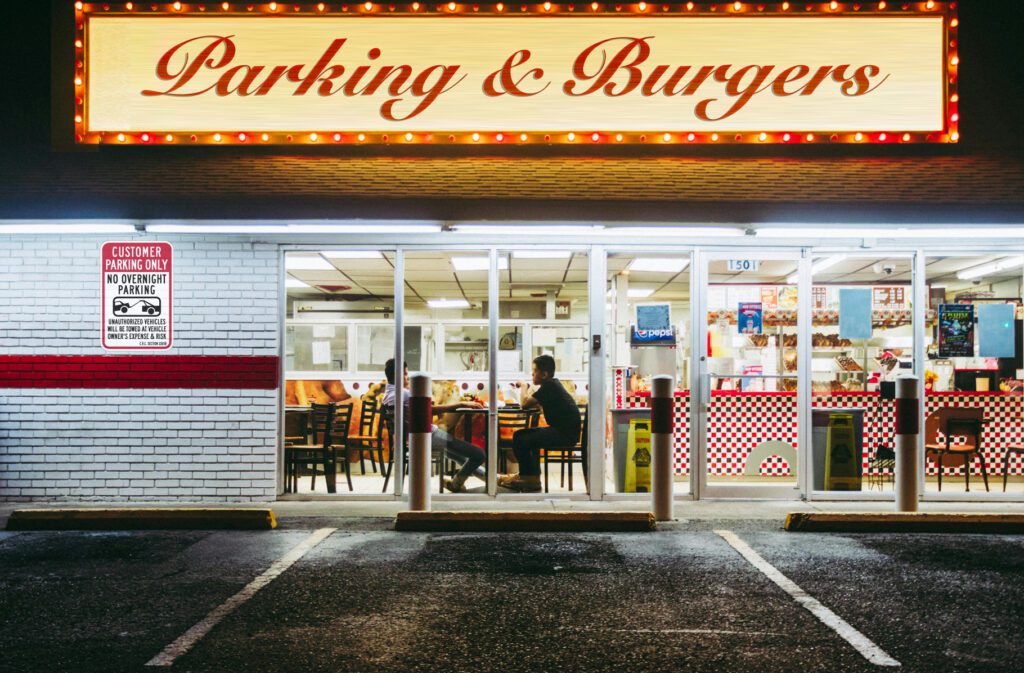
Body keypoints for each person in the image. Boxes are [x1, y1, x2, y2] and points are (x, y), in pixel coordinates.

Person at [382, 358, 487, 493]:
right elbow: (431, 410)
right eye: (406, 373)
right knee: (479, 455)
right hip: (430, 436)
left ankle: (493, 479)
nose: (407, 377)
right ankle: (457, 483)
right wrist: (461, 404)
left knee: (461, 458)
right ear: (398, 375)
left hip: (413, 439)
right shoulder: (404, 394)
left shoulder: (388, 395)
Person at [500, 354, 582, 493]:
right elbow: (539, 403)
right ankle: (530, 478)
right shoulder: (552, 385)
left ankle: (528, 479)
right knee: (522, 436)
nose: (532, 374)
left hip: (563, 435)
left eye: (534, 371)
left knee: (521, 438)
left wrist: (524, 386)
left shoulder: (549, 386)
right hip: (565, 432)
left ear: (544, 374)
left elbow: (524, 404)